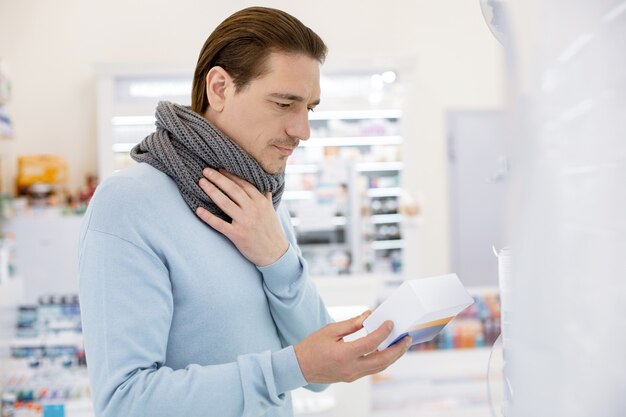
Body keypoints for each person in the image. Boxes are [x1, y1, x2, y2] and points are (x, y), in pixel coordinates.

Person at [78, 6, 411, 417]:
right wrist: (291, 367)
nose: (302, 130)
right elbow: (123, 403)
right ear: (219, 88)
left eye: (309, 107)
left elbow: (321, 377)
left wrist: (278, 260)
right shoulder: (128, 203)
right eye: (284, 103)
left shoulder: (263, 200)